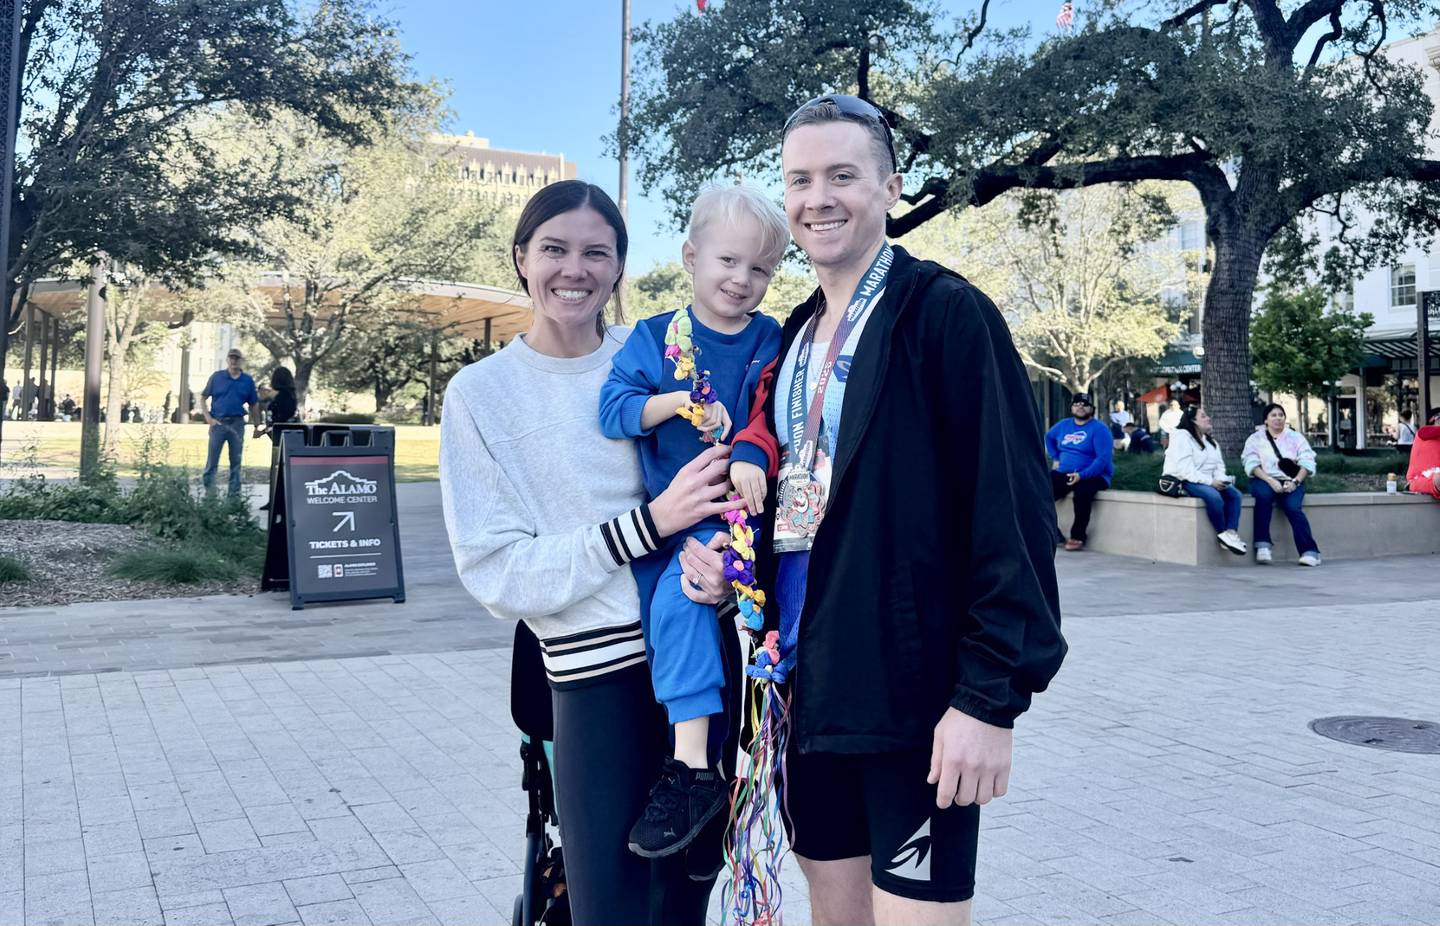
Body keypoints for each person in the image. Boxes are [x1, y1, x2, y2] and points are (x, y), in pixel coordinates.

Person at [729, 94, 1066, 926]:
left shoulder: (945, 314)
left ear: (889, 185)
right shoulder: (796, 333)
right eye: (800, 180)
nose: (819, 198)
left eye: (843, 175)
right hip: (804, 689)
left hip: (913, 700)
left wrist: (990, 699)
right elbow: (788, 498)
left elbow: (1013, 512)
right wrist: (730, 561)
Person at [440, 179, 746, 925]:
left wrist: (732, 575)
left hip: (700, 672)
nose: (573, 269)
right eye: (554, 249)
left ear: (618, 268)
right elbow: (496, 570)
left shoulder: (661, 360)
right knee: (609, 908)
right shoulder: (481, 395)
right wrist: (645, 528)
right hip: (593, 680)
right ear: (521, 258)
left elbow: (725, 489)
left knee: (686, 905)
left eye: (594, 253)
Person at [598, 184, 785, 858]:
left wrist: (748, 451)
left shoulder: (772, 339)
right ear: (691, 256)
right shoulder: (655, 339)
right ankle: (698, 765)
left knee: (690, 607)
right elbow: (614, 409)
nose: (742, 279)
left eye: (760, 269)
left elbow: (775, 414)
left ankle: (694, 767)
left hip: (745, 516)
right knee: (671, 619)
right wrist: (676, 401)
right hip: (674, 520)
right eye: (728, 261)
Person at [1242, 403, 1321, 566]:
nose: (1278, 418)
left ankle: (1310, 551)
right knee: (1263, 496)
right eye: (1273, 415)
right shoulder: (1255, 439)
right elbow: (1250, 462)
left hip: (1291, 480)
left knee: (1293, 508)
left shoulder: (1296, 437)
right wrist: (1270, 481)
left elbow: (1307, 461)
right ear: (1266, 420)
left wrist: (1295, 482)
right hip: (1264, 478)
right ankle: (1263, 545)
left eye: (1281, 415)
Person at [1164, 406, 1246, 555]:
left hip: (1208, 481)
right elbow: (1185, 470)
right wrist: (1211, 482)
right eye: (1203, 416)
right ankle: (1223, 533)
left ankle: (1231, 533)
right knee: (1214, 497)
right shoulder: (1181, 436)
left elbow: (1219, 466)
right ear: (1193, 421)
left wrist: (1221, 480)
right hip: (1186, 480)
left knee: (1235, 495)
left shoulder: (1211, 441)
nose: (1208, 418)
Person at [1045, 393, 1114, 552]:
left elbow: (1102, 460)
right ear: (1071, 408)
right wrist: (1055, 457)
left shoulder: (1100, 430)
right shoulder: (1063, 425)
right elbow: (1048, 437)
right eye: (1076, 404)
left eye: (1084, 404)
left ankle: (1078, 536)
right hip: (1065, 472)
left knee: (1082, 494)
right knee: (1039, 491)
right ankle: (1053, 533)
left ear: (1092, 408)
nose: (1080, 407)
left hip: (1095, 475)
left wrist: (1081, 475)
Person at [200, 348, 259, 497]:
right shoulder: (217, 377)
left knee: (236, 462)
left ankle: (233, 498)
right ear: (227, 360)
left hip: (237, 424)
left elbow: (254, 404)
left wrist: (257, 425)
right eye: (231, 358)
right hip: (218, 423)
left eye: (237, 358)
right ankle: (210, 495)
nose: (234, 361)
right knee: (212, 462)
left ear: (241, 361)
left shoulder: (247, 380)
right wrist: (207, 417)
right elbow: (203, 397)